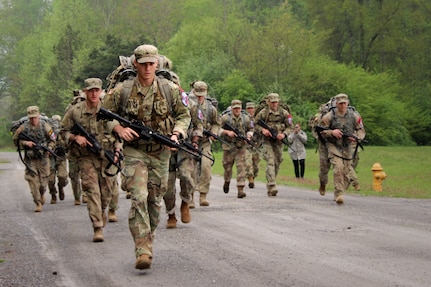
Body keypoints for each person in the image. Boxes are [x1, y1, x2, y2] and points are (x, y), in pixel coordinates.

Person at [101, 44, 190, 269]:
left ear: (157, 64)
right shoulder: (122, 90)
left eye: (151, 63)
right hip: (134, 150)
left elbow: (184, 115)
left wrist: (177, 133)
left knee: (154, 201)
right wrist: (118, 129)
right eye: (143, 64)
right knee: (139, 196)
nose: (148, 68)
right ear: (136, 65)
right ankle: (142, 249)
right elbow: (102, 116)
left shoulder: (170, 89)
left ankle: (147, 239)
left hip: (160, 152)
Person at [61, 78, 122, 242]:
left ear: (101, 91)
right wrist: (75, 138)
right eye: (91, 90)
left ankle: (102, 212)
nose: (94, 93)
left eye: (97, 90)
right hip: (86, 157)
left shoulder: (108, 110)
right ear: (85, 92)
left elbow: (118, 134)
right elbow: (62, 132)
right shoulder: (75, 111)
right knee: (92, 190)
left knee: (106, 193)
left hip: (107, 156)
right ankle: (97, 227)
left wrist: (117, 150)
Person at [318, 93, 365, 204]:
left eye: (344, 103)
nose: (342, 106)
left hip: (347, 145)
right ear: (336, 104)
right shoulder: (329, 116)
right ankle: (339, 193)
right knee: (338, 167)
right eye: (340, 104)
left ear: (347, 103)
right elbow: (320, 131)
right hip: (333, 145)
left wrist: (357, 138)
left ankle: (342, 188)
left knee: (347, 169)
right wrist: (332, 132)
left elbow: (361, 130)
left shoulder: (354, 116)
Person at [12, 106, 57, 212]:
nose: (33, 120)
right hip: (30, 159)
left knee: (43, 183)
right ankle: (37, 202)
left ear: (38, 115)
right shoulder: (23, 128)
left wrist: (49, 148)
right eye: (31, 118)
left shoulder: (45, 126)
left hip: (43, 158)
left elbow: (53, 140)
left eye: (35, 117)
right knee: (32, 180)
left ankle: (41, 194)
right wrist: (25, 143)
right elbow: (15, 140)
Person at [254, 93, 292, 196]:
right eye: (272, 102)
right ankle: (272, 185)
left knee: (277, 161)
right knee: (270, 161)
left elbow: (290, 127)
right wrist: (263, 130)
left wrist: (284, 134)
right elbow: (254, 124)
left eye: (276, 102)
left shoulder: (284, 113)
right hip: (267, 141)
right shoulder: (263, 113)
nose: (274, 104)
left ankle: (271, 180)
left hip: (279, 141)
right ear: (268, 102)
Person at [190, 81, 220, 206]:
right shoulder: (189, 105)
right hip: (190, 141)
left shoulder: (211, 108)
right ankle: (190, 197)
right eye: (198, 94)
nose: (200, 97)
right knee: (190, 170)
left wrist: (213, 133)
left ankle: (203, 195)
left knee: (206, 167)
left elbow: (216, 123)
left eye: (202, 94)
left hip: (205, 142)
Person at [219, 99, 253, 198]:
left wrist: (248, 136)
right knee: (227, 167)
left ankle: (240, 188)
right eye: (235, 108)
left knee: (241, 166)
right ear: (232, 109)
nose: (237, 110)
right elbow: (217, 128)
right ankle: (227, 181)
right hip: (228, 146)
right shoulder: (225, 118)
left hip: (240, 146)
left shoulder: (246, 118)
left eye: (238, 108)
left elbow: (251, 129)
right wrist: (226, 132)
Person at [66, 90, 86, 205]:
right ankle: (77, 196)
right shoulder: (70, 112)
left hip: (86, 150)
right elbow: (64, 132)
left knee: (86, 174)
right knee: (74, 175)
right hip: (73, 149)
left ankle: (86, 194)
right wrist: (74, 137)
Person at [47, 115, 68, 204]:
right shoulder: (49, 132)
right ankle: (53, 194)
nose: (56, 124)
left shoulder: (63, 131)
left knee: (62, 176)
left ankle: (60, 187)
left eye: (58, 122)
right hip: (50, 157)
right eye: (54, 122)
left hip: (61, 157)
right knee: (50, 179)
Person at [245, 101, 260, 188]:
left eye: (252, 108)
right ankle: (250, 178)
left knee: (256, 165)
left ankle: (253, 176)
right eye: (249, 108)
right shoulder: (244, 118)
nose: (250, 110)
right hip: (247, 144)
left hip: (256, 144)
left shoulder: (258, 118)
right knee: (248, 163)